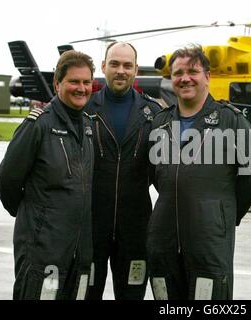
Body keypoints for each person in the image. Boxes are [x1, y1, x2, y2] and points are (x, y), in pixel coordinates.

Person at [147, 45, 251, 300]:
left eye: (193, 71)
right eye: (178, 73)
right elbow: (157, 177)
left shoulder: (231, 121)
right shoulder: (160, 123)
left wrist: (222, 212)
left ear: (207, 77)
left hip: (209, 241)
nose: (185, 78)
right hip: (164, 240)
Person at [0, 50, 95, 300]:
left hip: (78, 250)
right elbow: (7, 180)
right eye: (74, 81)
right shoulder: (38, 125)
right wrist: (34, 217)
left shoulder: (88, 125)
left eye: (86, 82)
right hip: (43, 249)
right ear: (57, 83)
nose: (81, 88)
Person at [86, 41, 161, 300]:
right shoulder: (84, 109)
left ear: (136, 69)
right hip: (91, 224)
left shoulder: (154, 114)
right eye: (115, 64)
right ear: (104, 66)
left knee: (132, 295)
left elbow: (164, 171)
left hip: (136, 227)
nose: (121, 70)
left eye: (127, 65)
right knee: (87, 293)